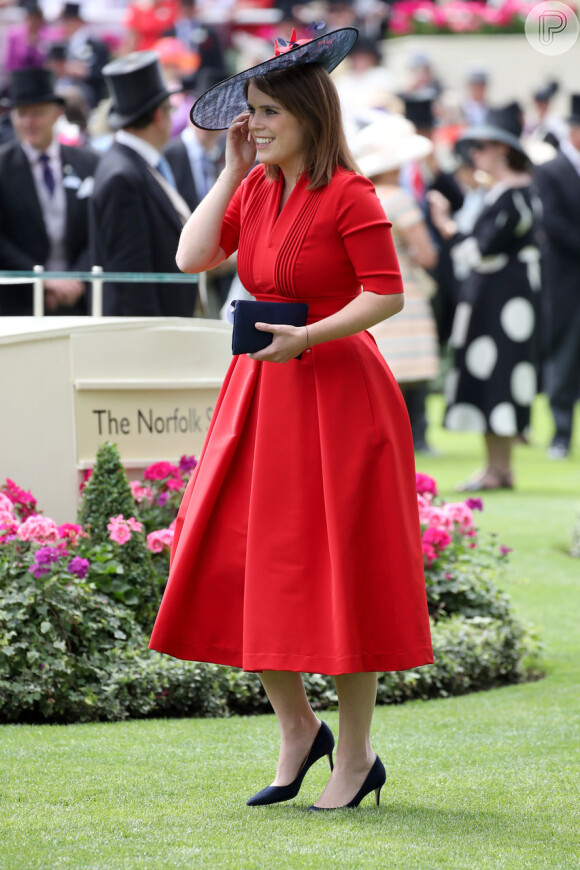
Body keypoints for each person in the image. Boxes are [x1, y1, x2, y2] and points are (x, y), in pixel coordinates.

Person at [149, 27, 433, 811]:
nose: (257, 123)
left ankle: (357, 754)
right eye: (252, 113)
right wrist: (232, 167)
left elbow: (387, 292)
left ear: (311, 113)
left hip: (339, 395)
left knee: (342, 569)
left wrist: (309, 333)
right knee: (240, 559)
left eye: (270, 113)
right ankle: (298, 731)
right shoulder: (255, 186)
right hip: (261, 392)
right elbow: (190, 256)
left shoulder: (352, 193)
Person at [429, 103, 542, 491]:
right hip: (497, 295)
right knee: (494, 373)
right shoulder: (506, 193)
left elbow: (483, 248)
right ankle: (497, 467)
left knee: (499, 374)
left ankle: (498, 468)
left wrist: (446, 225)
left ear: (502, 150)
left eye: (482, 147)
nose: (475, 155)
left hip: (502, 297)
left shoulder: (514, 195)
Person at [351, 114, 439, 445]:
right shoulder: (400, 199)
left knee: (385, 362)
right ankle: (418, 435)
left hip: (365, 290)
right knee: (411, 365)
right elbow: (426, 253)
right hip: (402, 287)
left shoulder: (363, 195)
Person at [89, 51, 196, 317]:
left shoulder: (132, 165)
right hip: (148, 337)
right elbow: (131, 280)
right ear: (160, 116)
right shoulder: (122, 176)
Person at [0, 66, 99, 316]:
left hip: (81, 300)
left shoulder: (88, 162)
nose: (27, 122)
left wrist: (76, 278)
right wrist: (42, 280)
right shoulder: (3, 166)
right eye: (21, 114)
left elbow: (98, 227)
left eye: (37, 113)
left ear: (57, 114)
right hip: (19, 303)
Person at [533, 94, 580, 459]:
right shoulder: (551, 170)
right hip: (567, 280)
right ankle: (562, 434)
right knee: (564, 356)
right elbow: (554, 224)